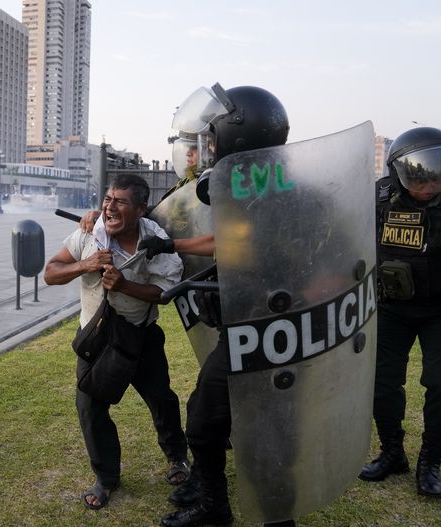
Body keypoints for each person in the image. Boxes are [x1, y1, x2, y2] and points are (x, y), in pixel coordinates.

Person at [139, 85, 295, 527]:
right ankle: (216, 506)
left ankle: (276, 517)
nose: (202, 148)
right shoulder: (249, 185)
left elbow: (248, 246)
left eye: (209, 138)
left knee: (264, 428)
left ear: (235, 137)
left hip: (273, 328)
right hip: (243, 327)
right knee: (209, 420)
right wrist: (171, 241)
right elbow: (228, 239)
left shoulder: (278, 190)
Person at [43, 174, 190, 510]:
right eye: (107, 199)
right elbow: (51, 272)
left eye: (119, 201)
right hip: (97, 339)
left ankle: (177, 458)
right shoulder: (89, 235)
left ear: (140, 209)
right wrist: (86, 264)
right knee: (90, 408)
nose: (109, 206)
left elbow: (164, 293)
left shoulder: (155, 240)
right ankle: (106, 477)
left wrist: (124, 286)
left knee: (161, 398)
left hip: (141, 334)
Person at [358, 127, 441, 498]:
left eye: (440, 175)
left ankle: (431, 461)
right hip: (391, 307)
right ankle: (393, 453)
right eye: (421, 176)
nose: (430, 184)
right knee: (381, 380)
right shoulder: (378, 198)